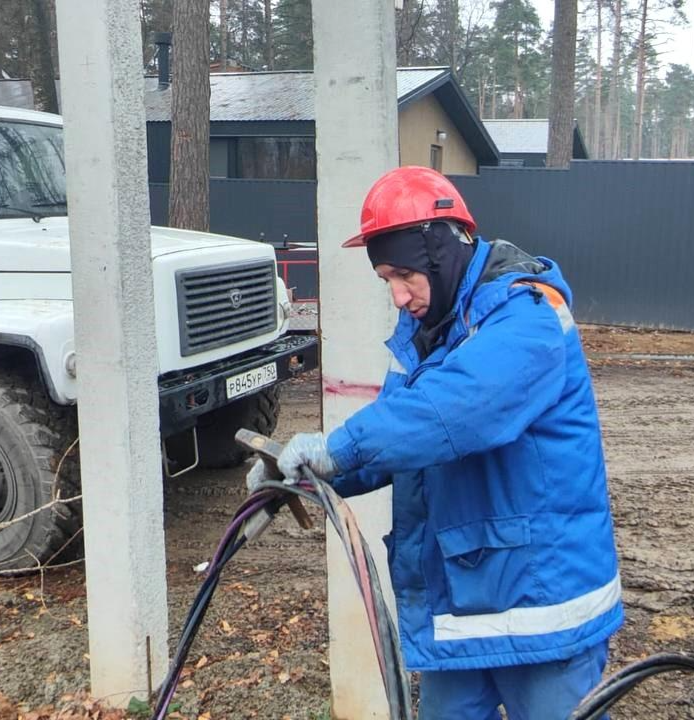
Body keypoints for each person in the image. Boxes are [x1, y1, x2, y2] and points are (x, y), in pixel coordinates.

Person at [247, 166, 622, 720]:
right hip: (463, 604)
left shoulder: (529, 317)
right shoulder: (436, 330)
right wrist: (300, 476)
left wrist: (339, 446)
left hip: (543, 608)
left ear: (443, 251)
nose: (399, 296)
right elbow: (401, 439)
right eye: (386, 280)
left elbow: (448, 413)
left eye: (405, 275)